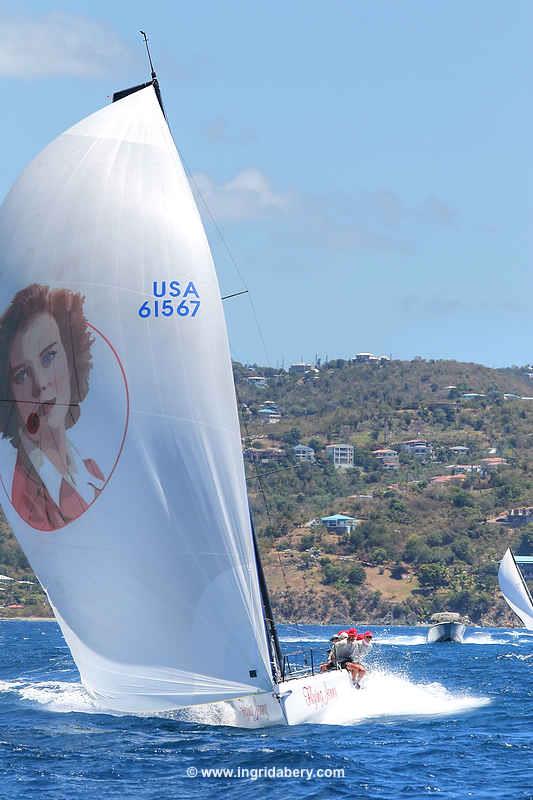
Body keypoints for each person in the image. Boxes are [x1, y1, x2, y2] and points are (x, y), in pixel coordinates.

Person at [0, 284, 104, 531]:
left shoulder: (93, 471)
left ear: (70, 358)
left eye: (48, 357)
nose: (41, 384)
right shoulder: (25, 498)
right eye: (22, 374)